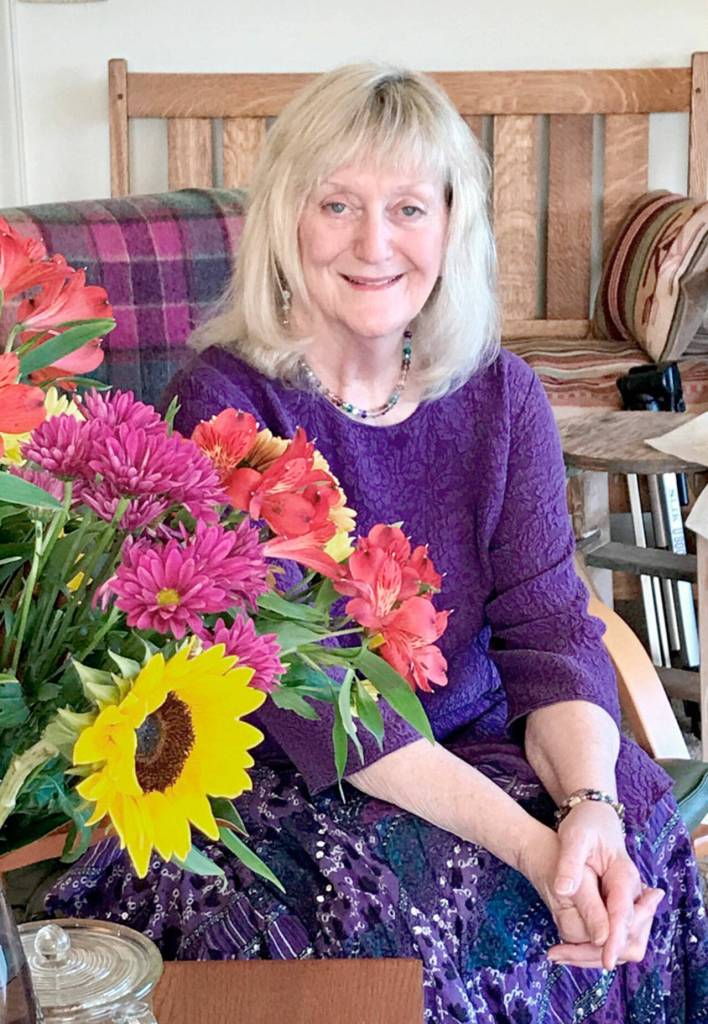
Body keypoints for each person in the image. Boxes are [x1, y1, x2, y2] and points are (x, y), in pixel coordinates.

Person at [47, 64, 708, 1022]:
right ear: (288, 222)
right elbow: (312, 696)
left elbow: (551, 631)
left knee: (634, 833)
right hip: (287, 782)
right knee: (447, 913)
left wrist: (587, 810)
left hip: (482, 741)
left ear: (450, 227)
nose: (373, 244)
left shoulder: (501, 396)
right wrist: (533, 846)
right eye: (337, 205)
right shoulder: (224, 405)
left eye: (407, 208)